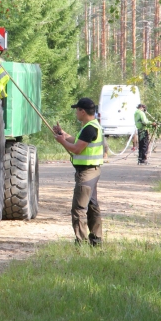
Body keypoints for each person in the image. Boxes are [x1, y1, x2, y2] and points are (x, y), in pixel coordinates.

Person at [53, 98, 103, 247]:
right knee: (93, 206)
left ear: (82, 111)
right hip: (93, 171)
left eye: (77, 110)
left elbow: (76, 149)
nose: (76, 113)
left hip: (87, 173)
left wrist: (62, 141)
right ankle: (96, 239)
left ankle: (81, 242)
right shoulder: (92, 126)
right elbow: (77, 141)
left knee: (79, 208)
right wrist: (63, 134)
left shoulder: (89, 128)